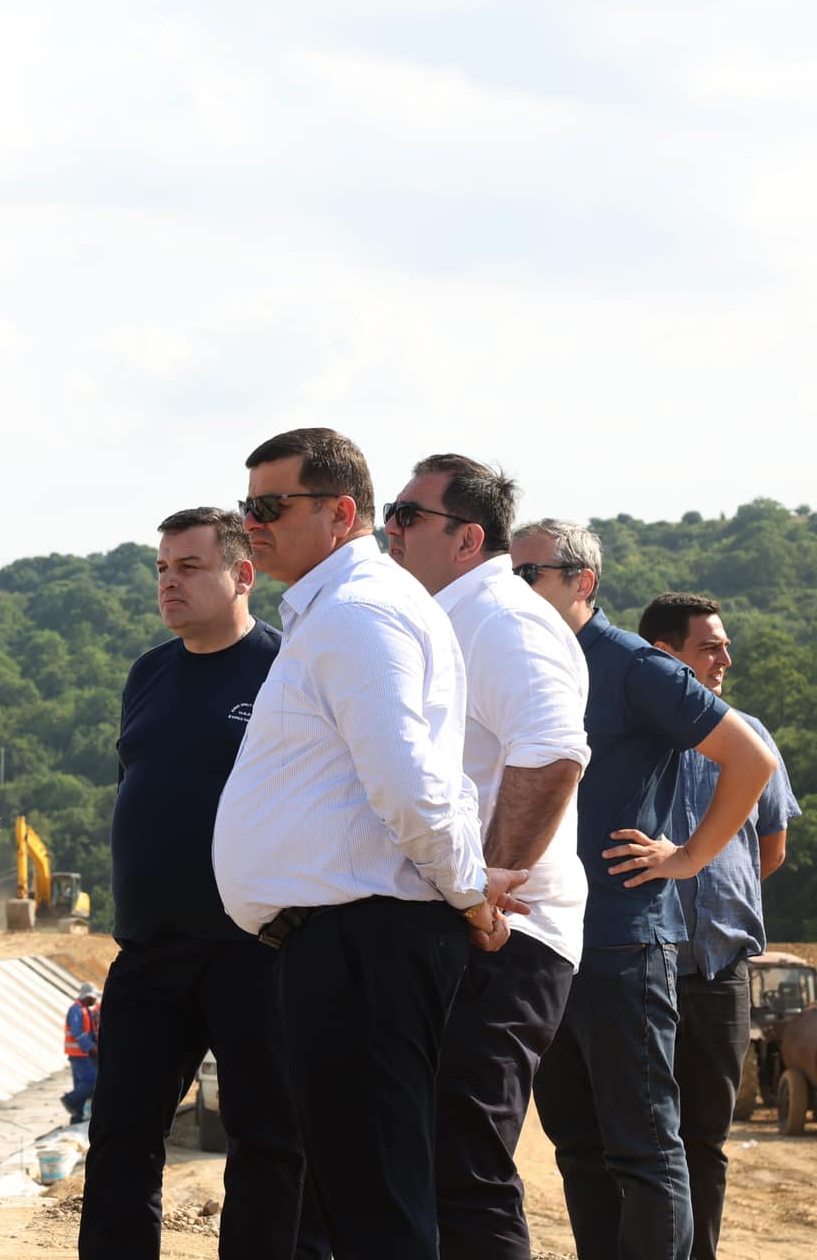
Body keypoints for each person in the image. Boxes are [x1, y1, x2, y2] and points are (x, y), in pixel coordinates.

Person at [210, 426, 525, 1259]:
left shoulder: (359, 611)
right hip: (345, 942)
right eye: (247, 507)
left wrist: (468, 892)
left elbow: (409, 777)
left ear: (341, 512)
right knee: (356, 1204)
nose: (252, 525)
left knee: (376, 1210)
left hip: (366, 943)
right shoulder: (339, 609)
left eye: (272, 507)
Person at [512, 521, 777, 1259]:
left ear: (583, 582)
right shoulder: (523, 663)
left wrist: (689, 858)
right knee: (577, 1146)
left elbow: (751, 759)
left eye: (530, 574)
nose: (513, 588)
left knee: (645, 1148)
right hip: (542, 940)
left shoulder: (633, 665)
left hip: (621, 944)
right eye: (507, 573)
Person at [79, 505, 320, 1260]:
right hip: (150, 951)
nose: (168, 583)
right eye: (162, 568)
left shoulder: (287, 668)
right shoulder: (148, 672)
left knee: (269, 1140)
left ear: (242, 574)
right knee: (120, 1135)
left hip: (257, 949)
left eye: (188, 567)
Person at [383, 456, 590, 1260]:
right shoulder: (449, 616)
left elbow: (554, 751)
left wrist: (485, 894)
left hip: (505, 935)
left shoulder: (502, 617)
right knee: (431, 1164)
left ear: (468, 539)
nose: (390, 531)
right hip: (467, 925)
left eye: (408, 516)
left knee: (463, 1169)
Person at [638, 590, 800, 1260]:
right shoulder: (628, 737)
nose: (725, 659)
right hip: (637, 966)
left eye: (725, 646)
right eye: (710, 647)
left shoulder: (751, 735)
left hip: (720, 973)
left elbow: (771, 849)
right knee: (635, 1140)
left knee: (705, 1138)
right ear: (664, 655)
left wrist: (711, 887)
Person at [62, 982, 100, 1124]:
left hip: (82, 1054)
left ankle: (77, 1117)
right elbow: (77, 1031)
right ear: (88, 996)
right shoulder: (76, 1010)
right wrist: (92, 1047)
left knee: (80, 1085)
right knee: (92, 1081)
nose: (95, 1000)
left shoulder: (84, 1010)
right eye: (94, 998)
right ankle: (69, 1100)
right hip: (78, 1054)